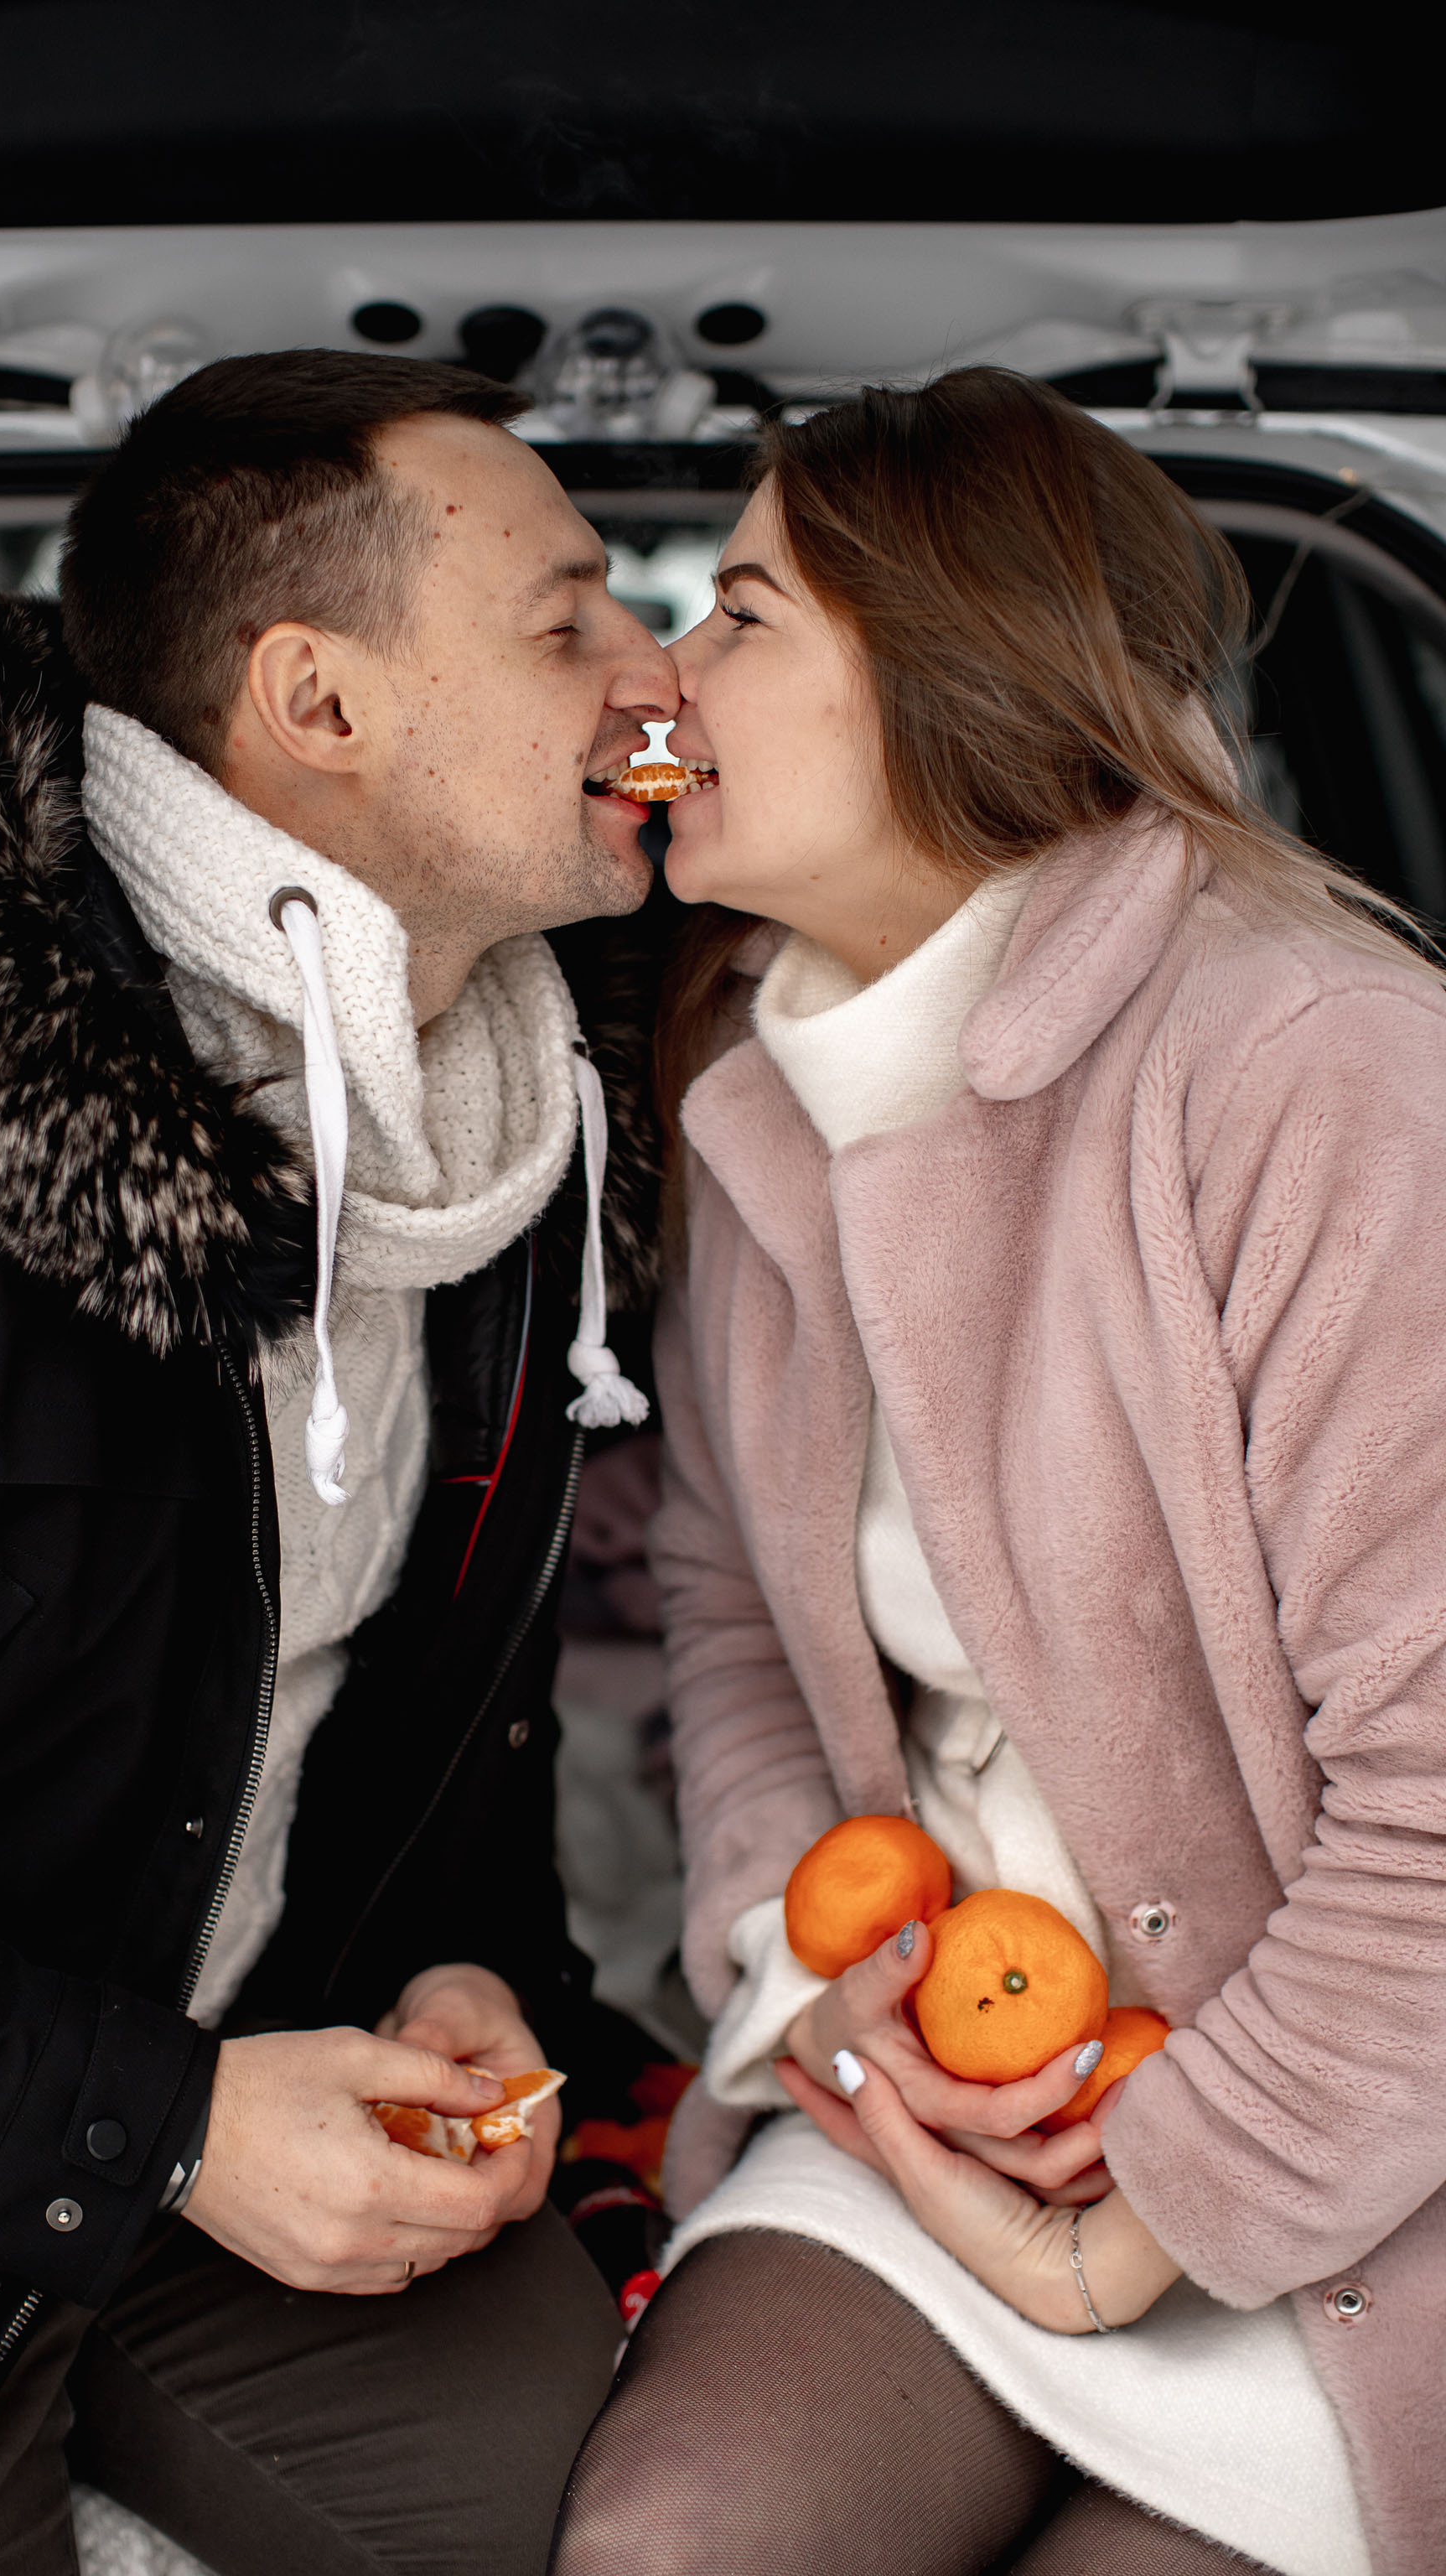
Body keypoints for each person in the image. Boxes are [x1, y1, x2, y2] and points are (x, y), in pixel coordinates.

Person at [0, 348, 677, 2575]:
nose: (660, 680)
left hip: (240, 2090)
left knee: (665, 2517)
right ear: (315, 703)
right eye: (571, 620)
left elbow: (382, 1703)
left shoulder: (507, 1117)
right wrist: (161, 2129)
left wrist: (473, 1978)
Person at [550, 369, 1446, 2576]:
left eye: (740, 611)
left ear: (954, 660)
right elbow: (727, 1606)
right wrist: (829, 1981)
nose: (663, 678)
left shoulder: (1320, 1070)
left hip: (1360, 2142)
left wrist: (1152, 2217)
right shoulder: (744, 1078)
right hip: (943, 2103)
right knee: (670, 2544)